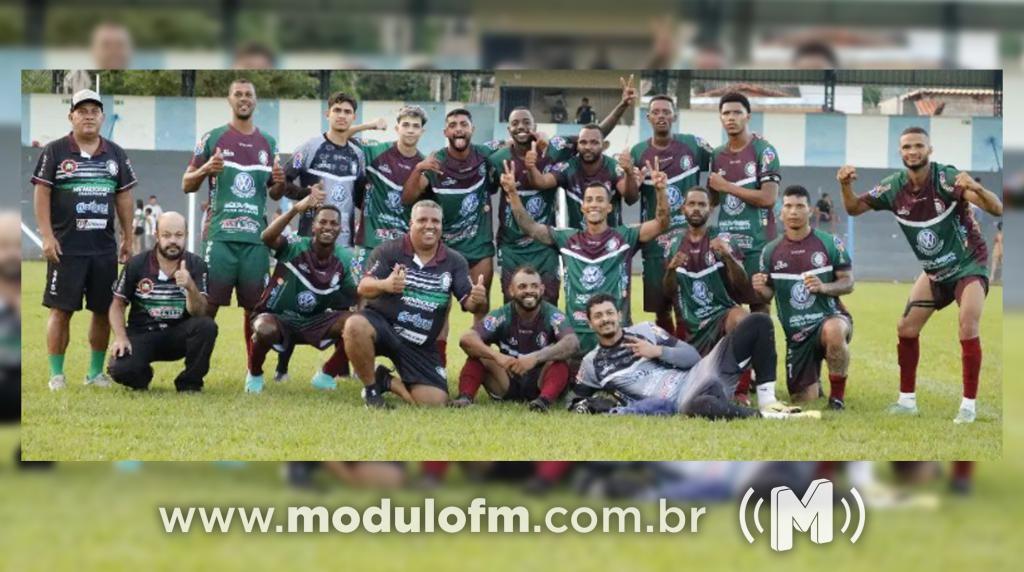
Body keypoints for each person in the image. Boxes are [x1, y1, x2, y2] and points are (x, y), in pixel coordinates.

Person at [838, 126, 1003, 424]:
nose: (912, 151)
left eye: (918, 146)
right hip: (935, 271)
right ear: (900, 152)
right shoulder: (893, 187)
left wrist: (977, 189)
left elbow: (996, 207)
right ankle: (906, 402)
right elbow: (852, 208)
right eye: (906, 147)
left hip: (968, 264)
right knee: (906, 329)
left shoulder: (946, 178)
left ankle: (968, 406)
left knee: (967, 324)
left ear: (929, 150)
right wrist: (845, 186)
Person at [489, 75, 637, 306]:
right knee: (512, 304)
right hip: (512, 244)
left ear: (535, 127)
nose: (521, 127)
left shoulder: (556, 148)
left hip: (545, 242)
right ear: (508, 129)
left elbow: (595, 133)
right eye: (515, 123)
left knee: (552, 301)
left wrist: (623, 105)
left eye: (526, 122)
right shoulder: (498, 158)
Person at [501, 158, 668, 357]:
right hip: (575, 336)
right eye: (589, 200)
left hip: (615, 333)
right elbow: (529, 227)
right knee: (561, 382)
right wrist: (512, 192)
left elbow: (661, 223)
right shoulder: (567, 238)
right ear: (583, 207)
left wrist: (660, 191)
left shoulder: (625, 237)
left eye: (599, 200)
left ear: (609, 207)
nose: (594, 204)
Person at [181, 78, 287, 392]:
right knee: (207, 307)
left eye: (248, 95)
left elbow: (275, 191)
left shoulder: (268, 142)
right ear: (229, 99)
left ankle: (253, 374)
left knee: (256, 311)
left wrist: (280, 181)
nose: (243, 99)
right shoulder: (212, 138)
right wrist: (205, 170)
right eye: (238, 94)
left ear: (256, 101)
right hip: (220, 237)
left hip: (256, 240)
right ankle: (194, 374)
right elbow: (187, 183)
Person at [33, 89, 137, 391]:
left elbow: (124, 196)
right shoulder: (55, 151)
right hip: (65, 249)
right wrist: (47, 236)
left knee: (104, 310)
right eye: (82, 110)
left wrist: (128, 237)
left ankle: (94, 374)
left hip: (103, 250)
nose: (88, 115)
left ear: (102, 117)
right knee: (60, 310)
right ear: (71, 116)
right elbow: (42, 192)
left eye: (94, 110)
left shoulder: (116, 154)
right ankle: (56, 375)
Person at [567, 295, 815, 419]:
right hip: (683, 400)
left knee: (758, 321)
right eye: (598, 316)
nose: (605, 319)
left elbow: (692, 356)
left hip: (703, 372)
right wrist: (591, 406)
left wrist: (657, 351)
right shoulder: (592, 362)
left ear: (618, 315)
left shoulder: (644, 330)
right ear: (590, 323)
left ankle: (767, 401)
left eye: (609, 313)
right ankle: (770, 419)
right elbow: (575, 399)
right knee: (697, 407)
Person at [342, 200, 489, 408]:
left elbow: (470, 304)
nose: (429, 225)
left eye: (435, 221)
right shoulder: (388, 251)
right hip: (384, 329)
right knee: (354, 325)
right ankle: (372, 390)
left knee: (435, 403)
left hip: (420, 345)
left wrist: (477, 298)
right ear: (411, 223)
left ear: (441, 225)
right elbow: (363, 287)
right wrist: (385, 284)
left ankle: (386, 380)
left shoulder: (455, 261)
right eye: (422, 220)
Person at [752, 185, 855, 410]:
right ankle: (813, 379)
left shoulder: (830, 243)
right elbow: (770, 295)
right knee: (803, 400)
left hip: (828, 318)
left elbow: (848, 282)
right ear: (781, 212)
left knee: (834, 331)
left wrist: (824, 287)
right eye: (788, 206)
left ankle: (837, 398)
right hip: (797, 337)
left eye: (800, 206)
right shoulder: (770, 251)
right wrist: (760, 289)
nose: (794, 211)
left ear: (810, 211)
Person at [246, 190, 358, 393]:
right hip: (279, 318)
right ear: (313, 227)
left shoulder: (345, 258)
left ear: (340, 229)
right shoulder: (295, 246)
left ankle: (325, 375)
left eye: (333, 224)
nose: (328, 227)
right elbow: (266, 237)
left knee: (357, 325)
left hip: (316, 321)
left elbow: (357, 293)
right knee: (264, 329)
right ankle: (254, 374)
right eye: (322, 222)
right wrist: (296, 209)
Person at [629, 94, 714, 339]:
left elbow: (721, 164)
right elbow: (631, 198)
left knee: (688, 303)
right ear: (648, 118)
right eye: (656, 112)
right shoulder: (638, 151)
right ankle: (668, 354)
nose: (661, 116)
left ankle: (689, 354)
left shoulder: (693, 145)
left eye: (666, 112)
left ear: (674, 116)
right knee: (661, 307)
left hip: (689, 239)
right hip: (656, 241)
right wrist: (628, 174)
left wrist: (712, 201)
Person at [107, 212, 218, 391]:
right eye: (166, 235)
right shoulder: (137, 264)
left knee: (207, 326)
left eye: (178, 235)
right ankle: (142, 375)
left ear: (186, 235)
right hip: (143, 332)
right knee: (120, 369)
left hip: (178, 335)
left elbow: (199, 312)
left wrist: (190, 286)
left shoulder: (196, 264)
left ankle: (189, 384)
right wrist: (120, 337)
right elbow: (117, 305)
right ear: (156, 235)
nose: (173, 241)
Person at [663, 186, 752, 404]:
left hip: (720, 316)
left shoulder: (723, 238)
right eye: (691, 204)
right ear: (683, 208)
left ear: (710, 210)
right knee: (695, 387)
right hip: (691, 324)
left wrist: (729, 258)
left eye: (701, 204)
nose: (696, 209)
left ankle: (741, 389)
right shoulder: (673, 243)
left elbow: (742, 287)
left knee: (742, 320)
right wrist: (671, 270)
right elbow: (668, 291)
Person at [455, 265, 580, 411]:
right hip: (507, 378)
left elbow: (572, 343)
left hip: (540, 381)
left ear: (542, 289)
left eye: (534, 286)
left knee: (560, 359)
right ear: (511, 290)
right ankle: (465, 398)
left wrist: (535, 358)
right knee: (479, 355)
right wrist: (497, 356)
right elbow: (466, 339)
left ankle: (543, 402)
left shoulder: (553, 315)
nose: (529, 291)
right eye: (522, 286)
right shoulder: (502, 315)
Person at [708, 91, 782, 315]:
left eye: (737, 113)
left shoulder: (764, 151)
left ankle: (763, 351)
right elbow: (713, 199)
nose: (731, 118)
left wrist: (727, 186)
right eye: (726, 113)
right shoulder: (717, 155)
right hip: (727, 244)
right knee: (729, 308)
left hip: (757, 243)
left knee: (759, 304)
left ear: (748, 116)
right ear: (720, 118)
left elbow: (768, 199)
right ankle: (733, 351)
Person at [525, 123, 638, 231]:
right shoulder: (568, 167)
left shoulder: (614, 167)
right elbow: (541, 182)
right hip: (578, 242)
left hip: (611, 241)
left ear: (603, 146)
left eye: (594, 142)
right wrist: (531, 167)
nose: (588, 147)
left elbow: (631, 198)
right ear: (577, 145)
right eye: (583, 142)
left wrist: (629, 172)